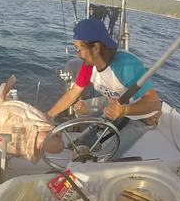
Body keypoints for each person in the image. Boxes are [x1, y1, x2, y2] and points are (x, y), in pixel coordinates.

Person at [47, 18, 162, 160]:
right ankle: (90, 142)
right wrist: (47, 116)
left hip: (140, 117)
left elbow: (154, 103)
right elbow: (72, 95)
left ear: (95, 48)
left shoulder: (126, 65)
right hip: (114, 102)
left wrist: (124, 110)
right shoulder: (89, 66)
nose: (77, 55)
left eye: (79, 50)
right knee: (80, 107)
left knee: (104, 159)